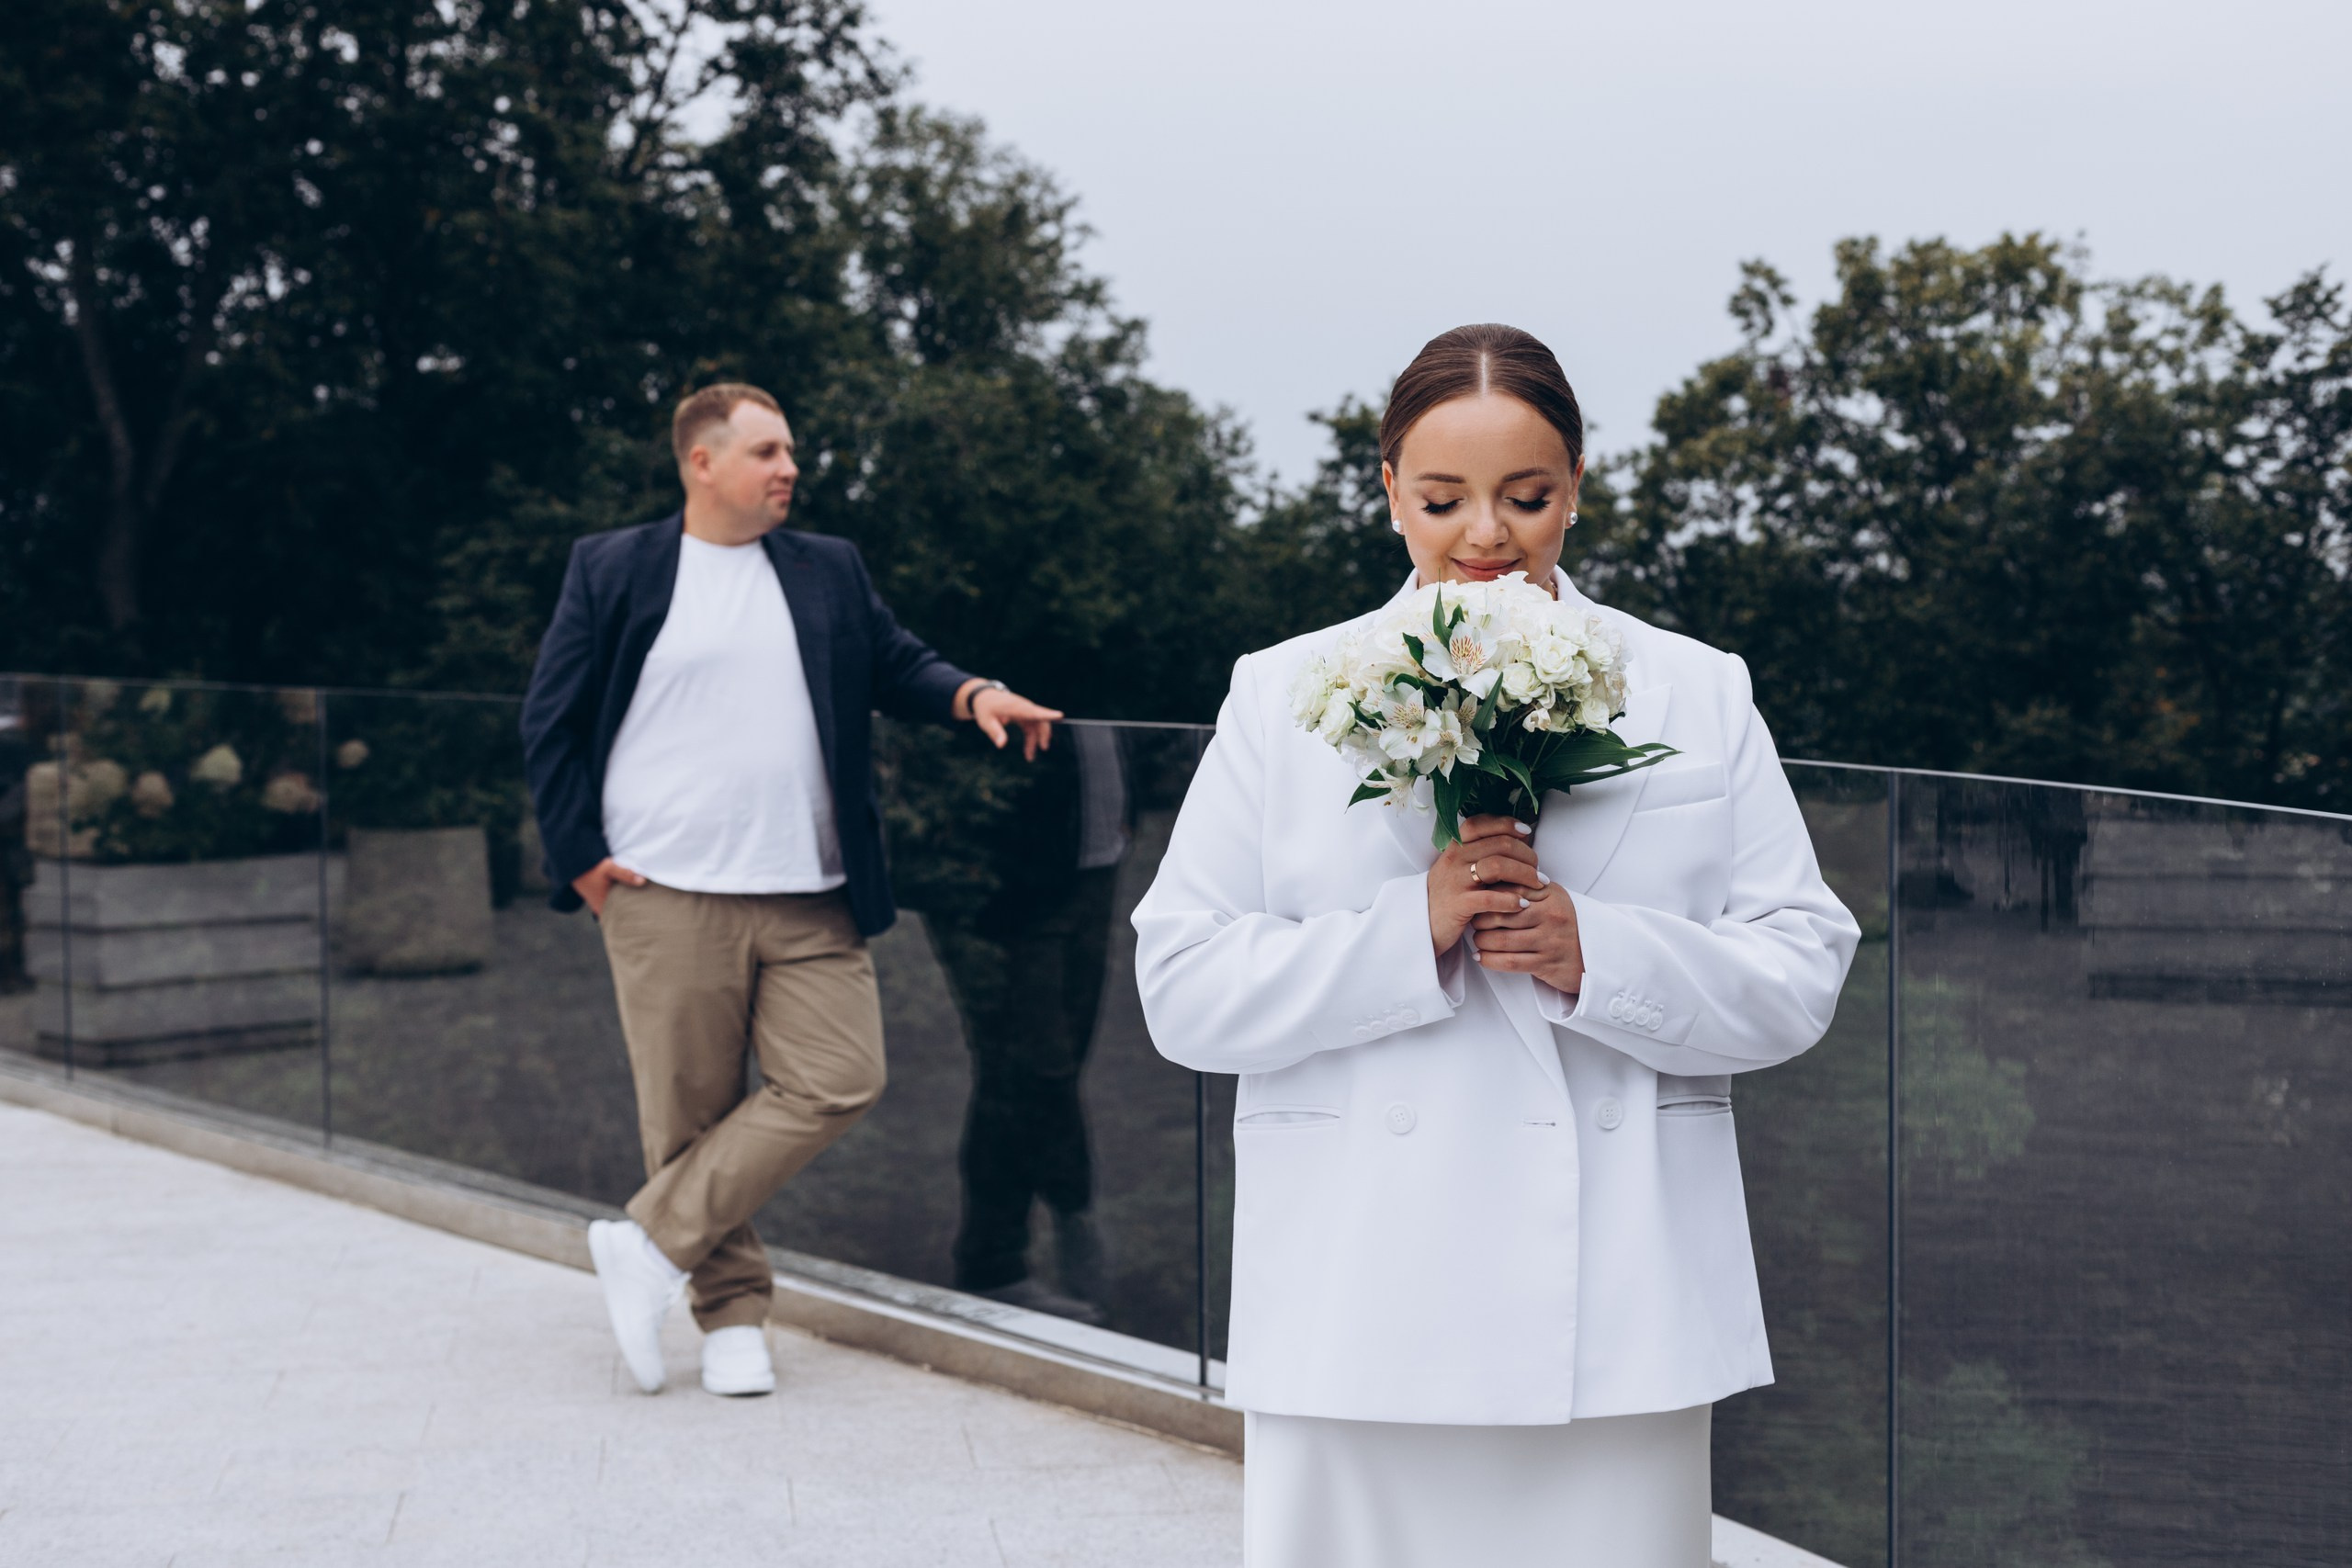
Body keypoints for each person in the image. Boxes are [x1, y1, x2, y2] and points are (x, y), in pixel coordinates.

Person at [1131, 325, 1860, 1565]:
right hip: (1358, 1289)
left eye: (1527, 497)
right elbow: (1181, 987)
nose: (1487, 535)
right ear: (1387, 493)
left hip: (1619, 1301)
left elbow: (1801, 963)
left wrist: (1602, 954)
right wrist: (1405, 934)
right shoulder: (1283, 691)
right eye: (1442, 497)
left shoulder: (1696, 688)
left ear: (1576, 483)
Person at [520, 382, 1060, 1397]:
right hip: (665, 886)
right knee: (690, 1113)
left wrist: (972, 693)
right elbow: (550, 719)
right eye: (767, 451)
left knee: (840, 1078)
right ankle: (731, 1320)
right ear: (702, 462)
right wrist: (581, 858)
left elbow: (894, 663)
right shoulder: (616, 567)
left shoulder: (825, 569)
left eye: (790, 452)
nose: (788, 469)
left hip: (810, 888)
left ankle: (645, 1246)